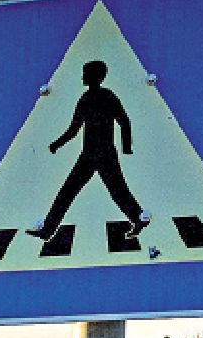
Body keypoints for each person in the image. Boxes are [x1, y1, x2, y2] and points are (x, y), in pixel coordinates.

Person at [29, 59, 149, 242]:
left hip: (104, 154)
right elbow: (74, 128)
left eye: (86, 74)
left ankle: (138, 218)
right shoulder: (86, 99)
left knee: (115, 191)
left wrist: (126, 147)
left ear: (97, 76)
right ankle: (48, 230)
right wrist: (57, 144)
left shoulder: (107, 97)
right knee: (71, 191)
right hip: (89, 154)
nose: (83, 77)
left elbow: (124, 121)